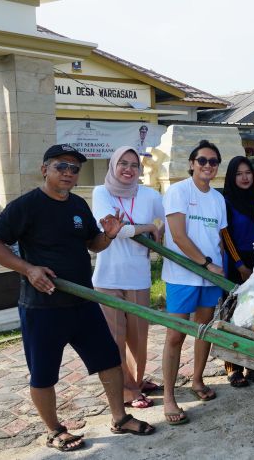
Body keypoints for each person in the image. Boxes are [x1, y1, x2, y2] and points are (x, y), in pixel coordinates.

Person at [0, 144, 155, 452]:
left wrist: (109, 235)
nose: (69, 173)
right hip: (43, 307)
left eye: (74, 168)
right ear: (44, 169)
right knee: (44, 373)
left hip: (83, 301)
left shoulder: (77, 204)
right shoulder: (26, 206)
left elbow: (93, 244)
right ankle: (54, 430)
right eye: (61, 166)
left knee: (109, 360)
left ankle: (120, 417)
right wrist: (28, 269)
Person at [92, 146, 165, 409]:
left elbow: (166, 221)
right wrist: (147, 227)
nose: (128, 169)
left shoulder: (150, 195)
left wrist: (159, 230)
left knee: (138, 338)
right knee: (115, 339)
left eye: (134, 165)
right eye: (123, 163)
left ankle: (136, 380)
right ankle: (125, 389)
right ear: (113, 165)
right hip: (108, 278)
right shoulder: (101, 192)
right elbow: (114, 229)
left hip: (138, 277)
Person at [161, 140, 227, 425]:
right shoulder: (178, 191)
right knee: (176, 335)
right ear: (191, 164)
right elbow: (178, 236)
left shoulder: (218, 199)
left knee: (203, 330)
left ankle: (197, 380)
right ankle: (168, 396)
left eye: (213, 162)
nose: (207, 166)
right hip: (182, 275)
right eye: (202, 160)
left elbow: (219, 238)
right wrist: (205, 263)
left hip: (211, 277)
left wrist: (218, 267)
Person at [220, 156, 254, 388]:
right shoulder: (226, 202)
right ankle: (233, 367)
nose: (245, 177)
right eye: (239, 174)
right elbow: (226, 235)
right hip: (234, 264)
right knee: (232, 314)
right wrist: (240, 265)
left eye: (248, 173)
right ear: (231, 176)